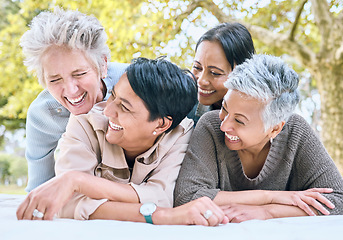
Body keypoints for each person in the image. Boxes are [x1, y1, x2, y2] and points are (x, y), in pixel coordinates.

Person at [17, 57, 229, 226]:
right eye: (113, 96)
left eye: (124, 108)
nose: (108, 111)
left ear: (161, 125)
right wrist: (161, 216)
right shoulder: (84, 120)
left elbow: (163, 196)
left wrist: (79, 181)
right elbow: (66, 203)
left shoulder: (181, 134)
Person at [174, 54, 343, 222]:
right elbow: (187, 197)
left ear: (274, 129)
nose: (224, 125)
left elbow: (342, 202)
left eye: (239, 120)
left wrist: (269, 211)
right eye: (224, 108)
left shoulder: (296, 132)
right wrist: (269, 197)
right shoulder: (211, 126)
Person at [20, 7, 128, 192]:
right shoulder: (42, 116)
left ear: (102, 65)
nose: (71, 90)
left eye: (79, 74)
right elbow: (40, 188)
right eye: (55, 79)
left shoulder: (135, 84)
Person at [188, 22, 255, 124]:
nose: (201, 81)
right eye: (197, 67)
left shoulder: (263, 115)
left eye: (215, 73)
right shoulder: (181, 106)